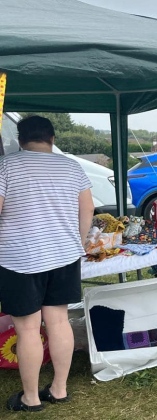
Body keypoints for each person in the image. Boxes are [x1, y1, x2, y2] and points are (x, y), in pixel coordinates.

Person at [0, 116, 95, 412]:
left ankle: (31, 398)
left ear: (20, 139)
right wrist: (76, 243)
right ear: (52, 138)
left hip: (19, 258)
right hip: (64, 256)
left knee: (27, 329)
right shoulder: (72, 166)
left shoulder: (6, 166)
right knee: (58, 322)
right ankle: (59, 388)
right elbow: (87, 208)